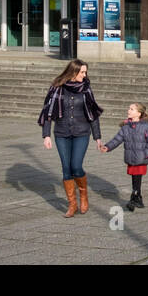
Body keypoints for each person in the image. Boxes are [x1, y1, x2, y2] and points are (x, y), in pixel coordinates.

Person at [37, 59, 103, 217]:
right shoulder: (56, 87)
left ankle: (83, 195)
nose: (84, 75)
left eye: (85, 72)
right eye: (82, 72)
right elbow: (48, 112)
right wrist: (46, 135)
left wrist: (97, 137)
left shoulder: (86, 88)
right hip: (61, 133)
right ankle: (72, 204)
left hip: (82, 133)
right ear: (73, 72)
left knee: (76, 166)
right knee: (66, 168)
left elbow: (93, 115)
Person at [98, 102, 148, 211]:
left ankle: (133, 198)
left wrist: (147, 155)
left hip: (141, 158)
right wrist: (107, 147)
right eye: (129, 108)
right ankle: (138, 198)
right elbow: (117, 139)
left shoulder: (145, 127)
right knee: (135, 177)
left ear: (139, 113)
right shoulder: (126, 127)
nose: (128, 111)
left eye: (132, 109)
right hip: (131, 157)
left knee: (137, 177)